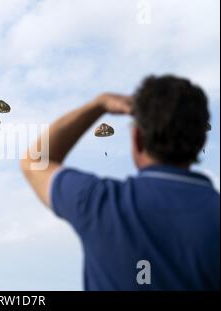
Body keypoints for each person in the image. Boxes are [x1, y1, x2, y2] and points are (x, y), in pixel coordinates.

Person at [20, 75, 220, 290]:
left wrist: (99, 104)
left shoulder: (98, 202)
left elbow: (35, 161)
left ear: (137, 139)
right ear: (201, 141)